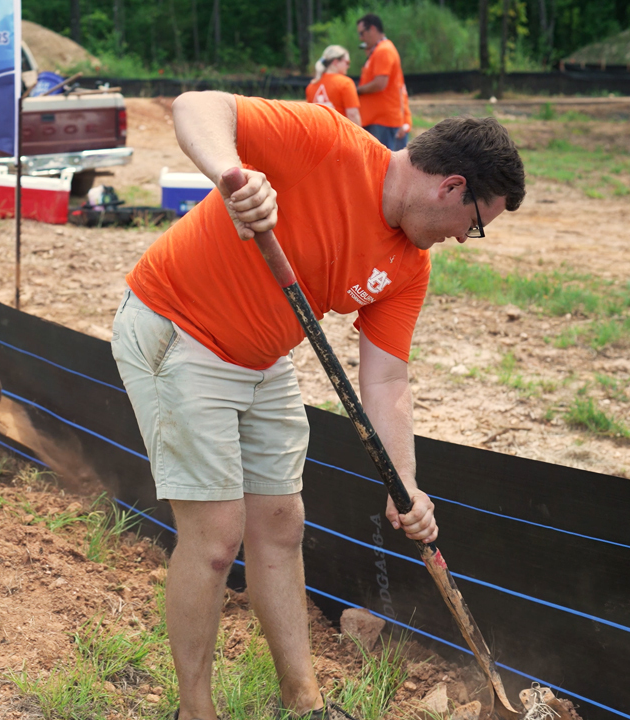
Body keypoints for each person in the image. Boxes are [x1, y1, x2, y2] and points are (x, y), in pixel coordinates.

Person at [112, 91, 524, 720]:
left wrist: (405, 483)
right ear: (452, 186)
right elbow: (197, 106)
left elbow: (385, 381)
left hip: (263, 354)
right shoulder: (326, 142)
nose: (466, 237)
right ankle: (194, 711)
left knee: (280, 522)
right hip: (180, 330)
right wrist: (234, 175)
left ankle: (303, 703)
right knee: (218, 537)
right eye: (476, 223)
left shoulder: (409, 266)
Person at [355, 13, 406, 150]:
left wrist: (356, 91)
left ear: (372, 29)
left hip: (382, 120)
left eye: (362, 33)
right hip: (377, 119)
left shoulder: (384, 50)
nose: (361, 38)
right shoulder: (378, 50)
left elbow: (380, 83)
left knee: (384, 167)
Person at [305, 45, 361, 127]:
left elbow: (310, 116)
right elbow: (352, 114)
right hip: (340, 135)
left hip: (319, 135)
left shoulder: (311, 86)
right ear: (335, 62)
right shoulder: (346, 83)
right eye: (347, 62)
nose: (348, 66)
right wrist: (360, 137)